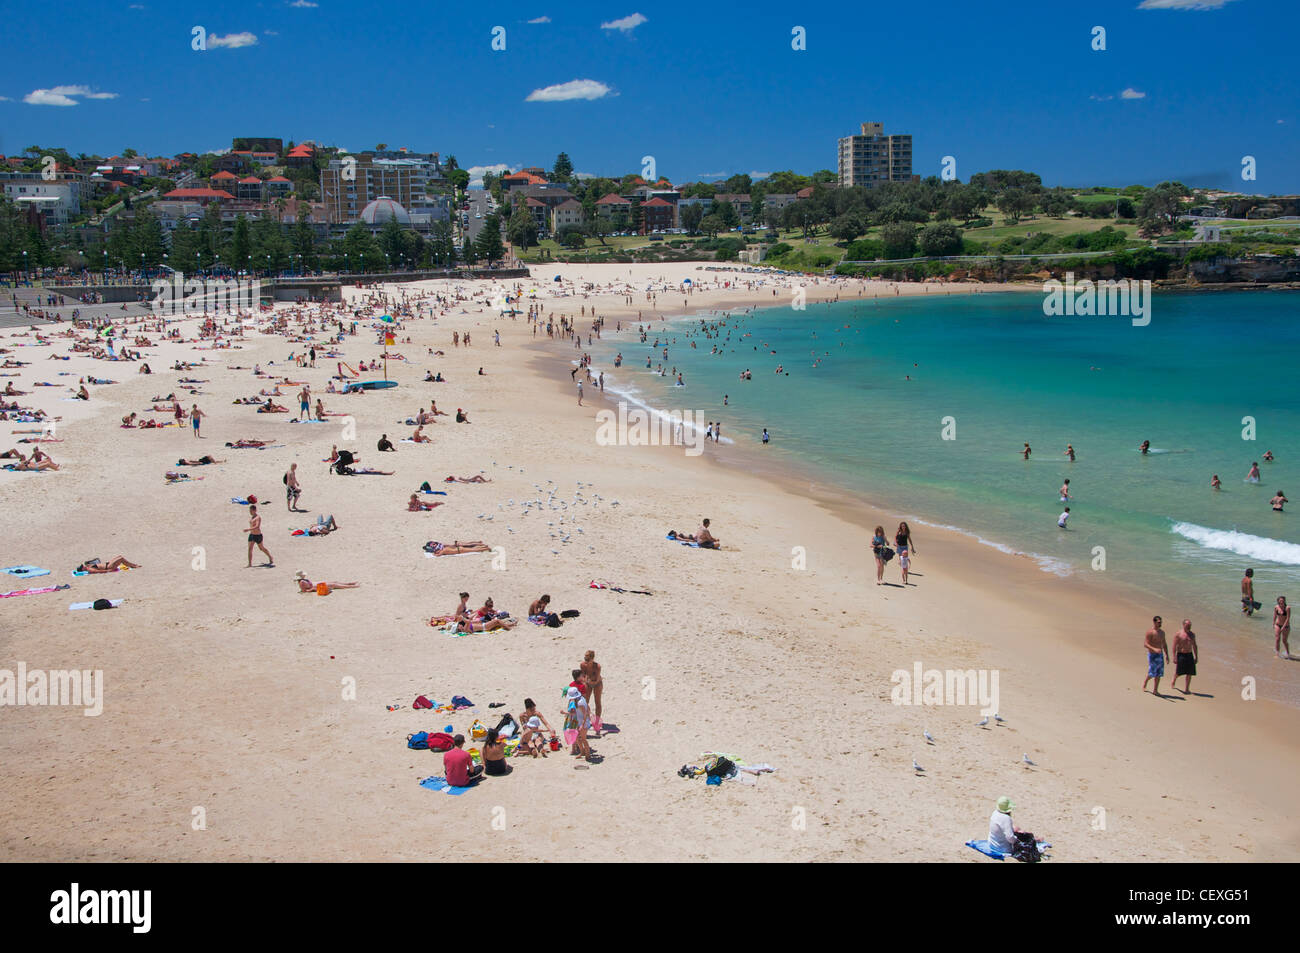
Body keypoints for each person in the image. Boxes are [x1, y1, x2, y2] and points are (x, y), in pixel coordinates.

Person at [1143, 616, 1169, 696]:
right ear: (1154, 622)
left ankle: (1155, 690)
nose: (1160, 623)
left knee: (1159, 673)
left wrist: (1167, 655)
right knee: (1152, 672)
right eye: (1158, 622)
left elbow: (1164, 644)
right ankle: (1145, 683)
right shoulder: (1150, 632)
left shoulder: (1162, 632)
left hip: (1160, 655)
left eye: (1161, 622)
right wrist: (1154, 649)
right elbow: (1145, 644)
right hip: (1152, 654)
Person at [1171, 619, 1198, 694]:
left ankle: (1187, 688)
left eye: (1190, 625)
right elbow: (1174, 646)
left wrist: (1196, 657)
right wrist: (1174, 656)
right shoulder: (1178, 634)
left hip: (1189, 654)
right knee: (1179, 672)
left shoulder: (1192, 635)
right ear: (1183, 625)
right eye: (1187, 625)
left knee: (1189, 673)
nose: (1189, 626)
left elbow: (1195, 646)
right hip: (1181, 654)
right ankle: (1174, 680)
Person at [565, 685, 592, 760]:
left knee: (583, 739)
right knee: (576, 738)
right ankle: (582, 752)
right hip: (578, 721)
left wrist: (582, 725)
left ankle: (588, 754)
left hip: (583, 722)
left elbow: (585, 714)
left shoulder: (580, 703)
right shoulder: (578, 700)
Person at [581, 650, 603, 725]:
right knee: (585, 702)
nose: (586, 660)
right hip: (588, 682)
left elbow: (596, 679)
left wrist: (588, 680)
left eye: (588, 658)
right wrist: (586, 681)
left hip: (597, 684)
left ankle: (597, 721)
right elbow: (583, 675)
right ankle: (586, 719)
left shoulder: (597, 667)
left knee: (597, 701)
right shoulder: (583, 665)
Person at [295, 572, 360, 593]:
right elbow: (304, 591)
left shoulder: (303, 580)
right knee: (334, 585)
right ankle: (352, 586)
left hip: (316, 584)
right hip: (316, 586)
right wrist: (312, 589)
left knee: (335, 582)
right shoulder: (302, 582)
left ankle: (350, 583)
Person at [76, 556, 141, 574]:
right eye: (82, 567)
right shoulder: (90, 569)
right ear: (82, 569)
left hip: (107, 564)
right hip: (109, 566)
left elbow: (96, 560)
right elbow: (98, 571)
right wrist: (109, 570)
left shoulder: (88, 566)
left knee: (119, 556)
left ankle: (133, 565)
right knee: (121, 559)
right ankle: (133, 566)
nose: (83, 566)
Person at [426, 540, 492, 556]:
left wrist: (434, 554)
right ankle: (484, 546)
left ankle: (486, 548)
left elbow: (437, 555)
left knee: (474, 549)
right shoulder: (443, 548)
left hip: (459, 550)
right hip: (457, 547)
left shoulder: (443, 551)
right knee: (471, 546)